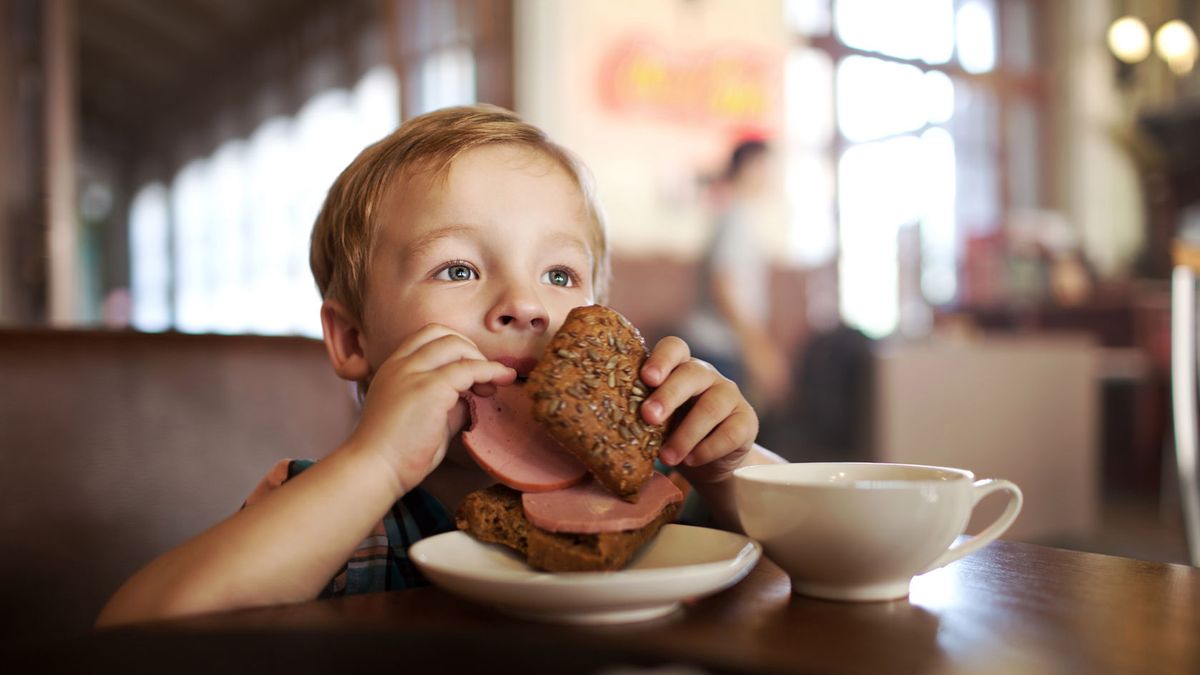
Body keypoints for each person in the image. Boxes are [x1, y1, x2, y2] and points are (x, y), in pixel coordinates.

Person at [96, 105, 784, 626]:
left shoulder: (646, 491)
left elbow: (840, 573)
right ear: (353, 340)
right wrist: (375, 464)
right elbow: (140, 632)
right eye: (457, 268)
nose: (524, 304)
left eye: (560, 273)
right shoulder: (336, 509)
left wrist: (730, 469)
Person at [682, 139, 790, 413]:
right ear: (748, 167)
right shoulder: (735, 219)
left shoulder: (738, 216)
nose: (770, 176)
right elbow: (723, 286)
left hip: (724, 348)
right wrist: (759, 350)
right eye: (766, 167)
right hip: (717, 348)